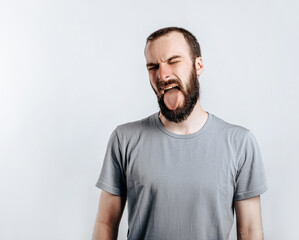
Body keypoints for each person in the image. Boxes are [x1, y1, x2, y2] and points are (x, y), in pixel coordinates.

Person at [93, 27, 268, 240]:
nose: (162, 74)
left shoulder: (240, 143)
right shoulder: (124, 139)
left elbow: (250, 231)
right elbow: (106, 223)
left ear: (198, 65)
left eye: (173, 61)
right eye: (153, 66)